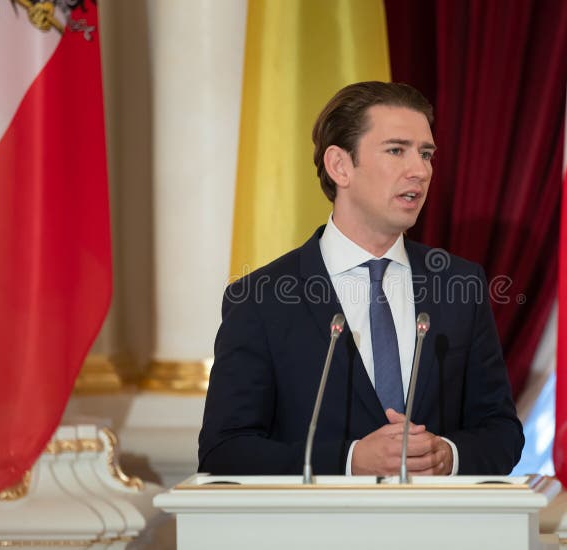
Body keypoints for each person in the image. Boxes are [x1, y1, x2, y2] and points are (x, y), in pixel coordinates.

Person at [198, 81, 523, 476]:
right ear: (340, 166)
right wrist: (349, 461)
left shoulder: (461, 286)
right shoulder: (260, 299)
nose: (420, 170)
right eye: (396, 150)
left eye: (426, 154)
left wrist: (447, 455)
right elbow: (225, 450)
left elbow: (501, 433)